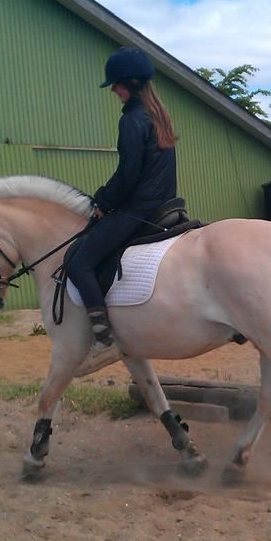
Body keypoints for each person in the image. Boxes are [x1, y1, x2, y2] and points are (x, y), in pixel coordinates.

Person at [68, 46, 178, 351]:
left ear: (129, 83)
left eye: (115, 84)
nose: (113, 90)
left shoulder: (132, 120)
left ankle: (104, 338)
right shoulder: (159, 115)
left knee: (78, 262)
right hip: (164, 202)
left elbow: (128, 174)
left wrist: (102, 202)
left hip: (139, 208)